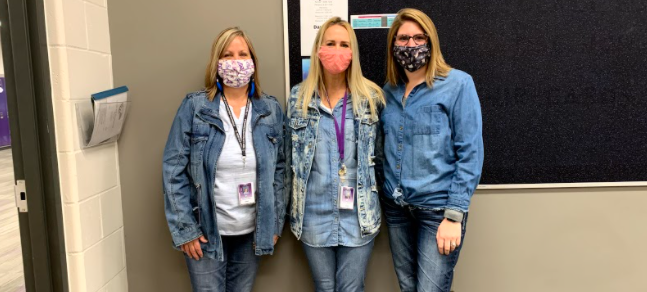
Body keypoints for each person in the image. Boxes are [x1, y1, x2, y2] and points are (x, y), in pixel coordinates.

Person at [162, 27, 286, 292]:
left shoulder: (270, 110)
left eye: (242, 54)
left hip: (251, 232)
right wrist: (186, 230)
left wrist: (273, 225)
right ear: (217, 63)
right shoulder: (195, 107)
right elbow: (173, 170)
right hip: (206, 231)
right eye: (227, 55)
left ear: (253, 62)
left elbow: (280, 171)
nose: (236, 61)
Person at [379, 8, 484, 292]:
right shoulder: (388, 91)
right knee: (407, 287)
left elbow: (471, 154)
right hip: (397, 210)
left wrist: (454, 215)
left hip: (438, 212)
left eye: (418, 37)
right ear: (393, 45)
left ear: (430, 41)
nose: (410, 45)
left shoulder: (458, 84)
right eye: (402, 39)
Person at [285, 17, 385, 292]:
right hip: (313, 215)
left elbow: (381, 158)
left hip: (359, 215)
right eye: (330, 43)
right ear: (318, 49)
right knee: (324, 288)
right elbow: (289, 159)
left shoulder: (371, 97)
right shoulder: (298, 98)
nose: (337, 51)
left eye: (344, 44)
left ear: (353, 53)